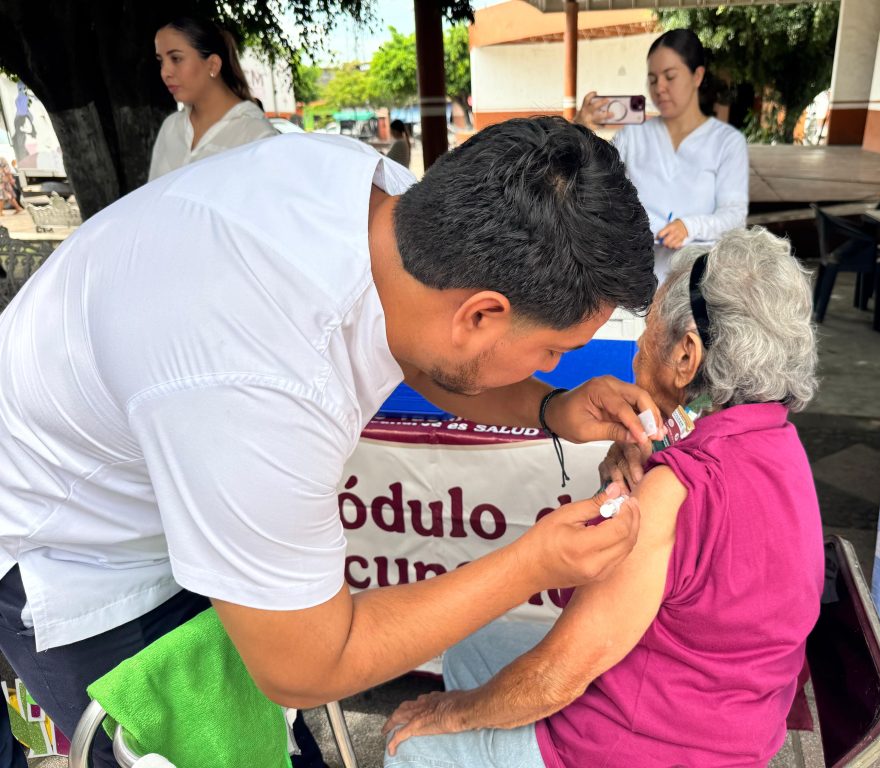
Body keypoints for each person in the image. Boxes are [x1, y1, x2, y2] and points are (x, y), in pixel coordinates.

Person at [0, 117, 661, 767]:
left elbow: (424, 349)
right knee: (198, 740)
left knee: (263, 731)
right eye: (553, 351)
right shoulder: (261, 381)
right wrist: (534, 566)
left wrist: (550, 407)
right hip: (74, 548)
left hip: (160, 456)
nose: (553, 365)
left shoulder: (382, 205)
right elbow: (305, 667)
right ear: (482, 314)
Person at [382, 228, 824, 768]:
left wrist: (454, 714)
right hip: (732, 717)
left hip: (653, 747)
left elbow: (557, 677)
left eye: (650, 326)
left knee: (413, 744)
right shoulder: (778, 442)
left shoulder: (677, 490)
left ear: (686, 355)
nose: (639, 345)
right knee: (475, 648)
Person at [576, 29, 749, 283]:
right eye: (653, 79)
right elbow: (594, 177)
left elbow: (734, 217)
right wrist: (580, 130)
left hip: (698, 281)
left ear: (697, 76)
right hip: (637, 279)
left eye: (670, 77)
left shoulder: (726, 142)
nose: (660, 88)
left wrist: (689, 226)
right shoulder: (632, 136)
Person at [148, 16, 276, 181]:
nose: (165, 72)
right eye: (161, 62)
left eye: (176, 59)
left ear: (213, 65)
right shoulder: (171, 127)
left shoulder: (256, 136)